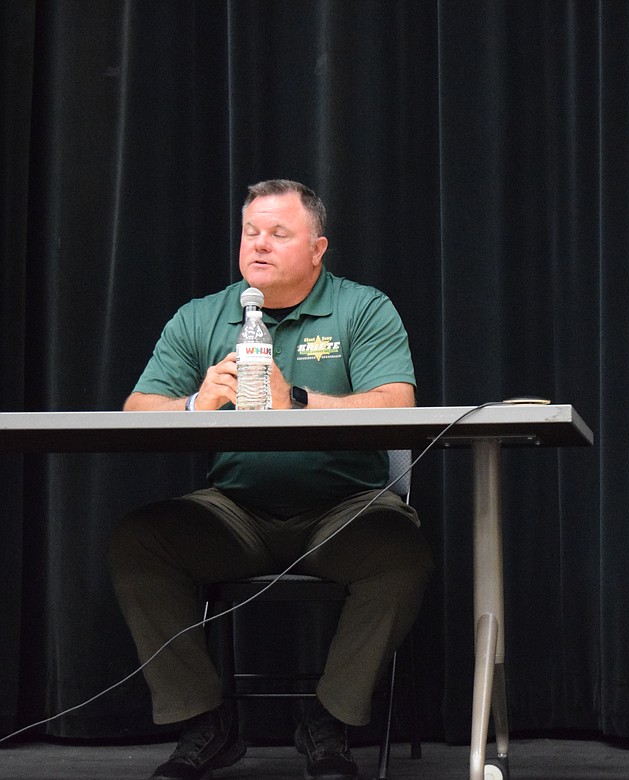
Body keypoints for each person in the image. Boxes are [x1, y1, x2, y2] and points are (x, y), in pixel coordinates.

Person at [107, 179, 433, 780]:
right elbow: (136, 410)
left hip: (345, 509)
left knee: (400, 551)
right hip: (238, 510)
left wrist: (299, 399)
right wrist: (194, 405)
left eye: (279, 233)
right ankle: (205, 722)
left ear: (318, 249)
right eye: (250, 232)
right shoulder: (202, 315)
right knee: (140, 540)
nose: (259, 245)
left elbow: (398, 403)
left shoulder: (362, 308)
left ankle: (329, 719)